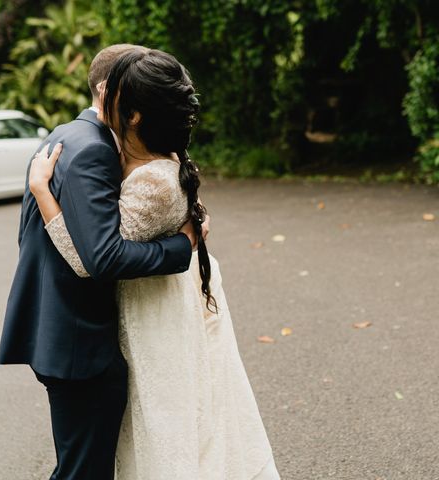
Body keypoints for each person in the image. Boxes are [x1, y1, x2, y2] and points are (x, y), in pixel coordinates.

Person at [29, 48, 282, 479]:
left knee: (164, 424)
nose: (103, 95)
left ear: (135, 116)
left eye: (115, 93)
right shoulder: (152, 158)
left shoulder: (151, 179)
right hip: (155, 304)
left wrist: (43, 194)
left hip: (154, 314)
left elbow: (95, 260)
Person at [0, 44, 202, 480]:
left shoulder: (63, 134)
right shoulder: (94, 150)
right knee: (83, 471)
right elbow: (102, 256)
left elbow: (30, 237)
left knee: (78, 465)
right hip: (79, 341)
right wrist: (182, 248)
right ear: (111, 91)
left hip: (60, 329)